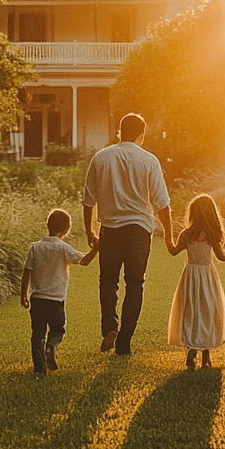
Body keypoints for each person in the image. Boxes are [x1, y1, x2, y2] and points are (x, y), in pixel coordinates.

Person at [82, 113, 173, 356]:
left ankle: (110, 326)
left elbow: (88, 200)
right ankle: (124, 341)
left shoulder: (101, 158)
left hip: (110, 229)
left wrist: (89, 230)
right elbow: (162, 204)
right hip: (139, 231)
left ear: (119, 131)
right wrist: (169, 235)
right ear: (142, 133)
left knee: (108, 282)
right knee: (135, 285)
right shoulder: (149, 160)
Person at [21, 208, 99, 379]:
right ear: (66, 230)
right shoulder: (63, 248)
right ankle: (51, 345)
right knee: (58, 330)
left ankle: (39, 371)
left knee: (37, 334)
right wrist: (97, 247)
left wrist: (24, 296)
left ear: (47, 225)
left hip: (37, 299)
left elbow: (27, 272)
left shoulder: (35, 248)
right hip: (56, 300)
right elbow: (85, 261)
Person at [164, 193, 225, 369]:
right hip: (208, 276)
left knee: (192, 312)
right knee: (208, 312)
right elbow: (222, 256)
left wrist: (167, 235)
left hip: (190, 276)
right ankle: (206, 357)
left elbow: (174, 251)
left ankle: (192, 349)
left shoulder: (187, 234)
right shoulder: (212, 234)